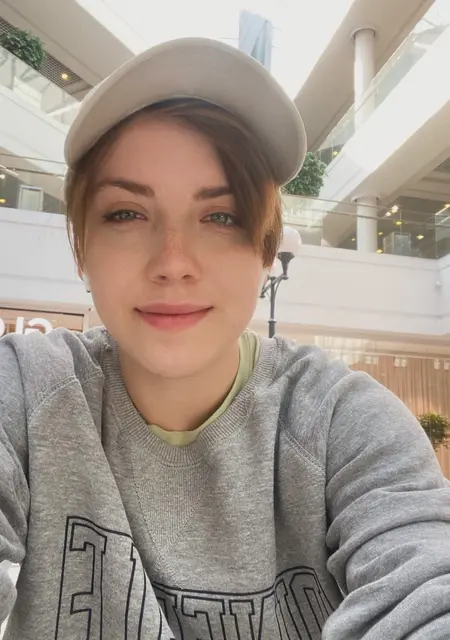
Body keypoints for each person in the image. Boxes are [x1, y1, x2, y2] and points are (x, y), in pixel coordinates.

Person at [0, 38, 450, 640]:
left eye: (221, 216)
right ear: (82, 247)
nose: (173, 262)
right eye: (126, 213)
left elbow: (425, 582)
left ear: (265, 252)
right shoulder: (28, 392)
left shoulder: (341, 422)